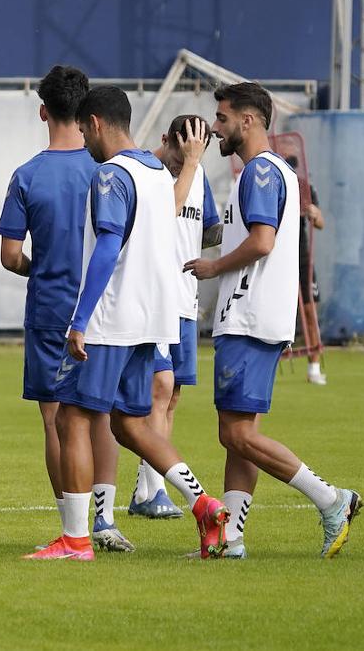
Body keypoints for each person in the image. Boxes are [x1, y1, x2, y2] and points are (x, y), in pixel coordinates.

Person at [31, 85, 228, 562]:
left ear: (95, 122)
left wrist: (80, 320)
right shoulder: (159, 172)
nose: (83, 138)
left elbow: (107, 248)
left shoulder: (110, 175)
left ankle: (76, 541)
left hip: (111, 319)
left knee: (73, 418)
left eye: (83, 129)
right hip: (153, 321)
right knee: (132, 426)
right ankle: (204, 504)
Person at [185, 82, 360, 559]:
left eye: (221, 118)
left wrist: (213, 267)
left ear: (248, 121)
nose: (215, 127)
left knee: (236, 434)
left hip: (248, 316)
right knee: (239, 436)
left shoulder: (259, 173)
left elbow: (262, 241)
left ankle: (332, 499)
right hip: (259, 317)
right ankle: (231, 541)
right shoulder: (275, 171)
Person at [0, 65, 136, 552]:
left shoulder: (27, 175)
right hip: (107, 309)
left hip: (53, 310)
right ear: (86, 114)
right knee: (99, 415)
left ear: (43, 111)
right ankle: (104, 520)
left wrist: (40, 266)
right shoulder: (108, 171)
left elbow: (10, 255)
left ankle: (71, 526)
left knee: (57, 420)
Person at [128, 115, 222, 519]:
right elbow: (167, 211)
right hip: (154, 301)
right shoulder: (148, 172)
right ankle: (152, 491)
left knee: (171, 397)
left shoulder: (197, 176)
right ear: (166, 140)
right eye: (180, 152)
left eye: (193, 154)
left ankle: (147, 488)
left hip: (186, 300)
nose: (184, 160)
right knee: (159, 389)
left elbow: (211, 230)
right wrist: (190, 165)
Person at [283, 153, 328, 385]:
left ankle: (314, 367)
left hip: (301, 259)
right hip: (279, 260)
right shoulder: (273, 184)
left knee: (310, 313)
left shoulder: (305, 188)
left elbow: (320, 223)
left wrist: (313, 213)